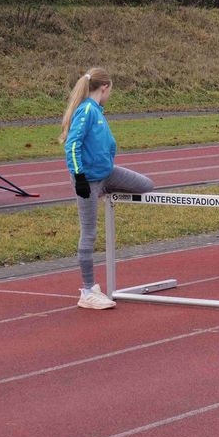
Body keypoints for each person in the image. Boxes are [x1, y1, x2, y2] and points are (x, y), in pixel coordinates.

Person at [61, 67, 155, 310]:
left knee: (145, 185)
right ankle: (88, 290)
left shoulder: (98, 111)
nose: (109, 95)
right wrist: (79, 176)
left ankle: (105, 191)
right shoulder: (87, 110)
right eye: (110, 91)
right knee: (89, 233)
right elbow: (72, 144)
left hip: (106, 174)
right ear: (104, 88)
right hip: (88, 180)